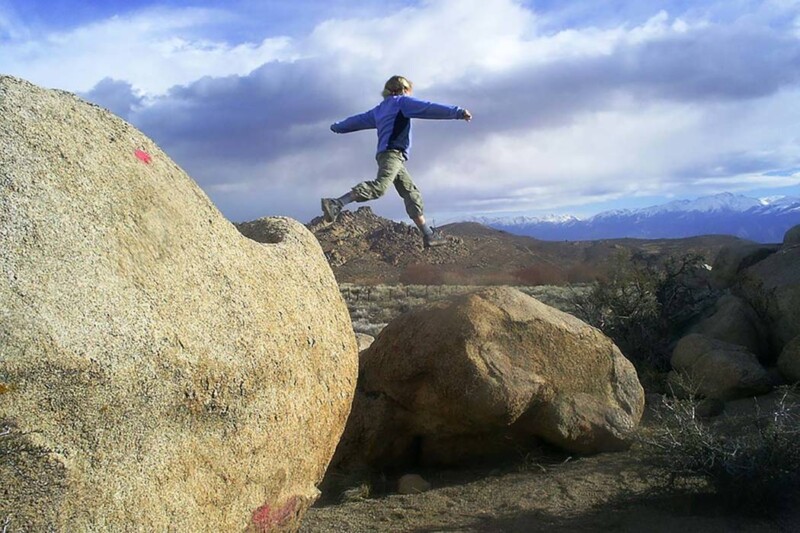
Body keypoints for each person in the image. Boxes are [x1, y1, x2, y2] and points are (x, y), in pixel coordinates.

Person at [321, 75, 472, 248]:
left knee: (411, 193)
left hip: (391, 156)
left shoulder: (379, 109)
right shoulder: (402, 102)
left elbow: (357, 120)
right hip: (392, 154)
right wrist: (458, 112)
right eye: (408, 91)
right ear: (403, 89)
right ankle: (336, 203)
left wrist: (337, 127)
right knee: (379, 187)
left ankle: (429, 235)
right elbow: (428, 108)